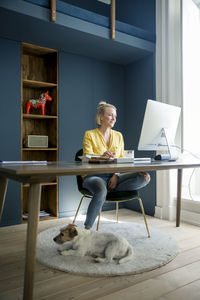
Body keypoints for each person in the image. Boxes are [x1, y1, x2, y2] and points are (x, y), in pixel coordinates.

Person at [82, 101, 150, 229]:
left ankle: (110, 187)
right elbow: (87, 157)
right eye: (110, 115)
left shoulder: (119, 136)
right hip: (94, 176)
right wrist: (101, 157)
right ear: (101, 117)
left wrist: (116, 175)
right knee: (101, 190)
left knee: (144, 176)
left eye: (115, 116)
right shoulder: (89, 134)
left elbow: (120, 159)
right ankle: (87, 229)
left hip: (113, 176)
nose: (114, 118)